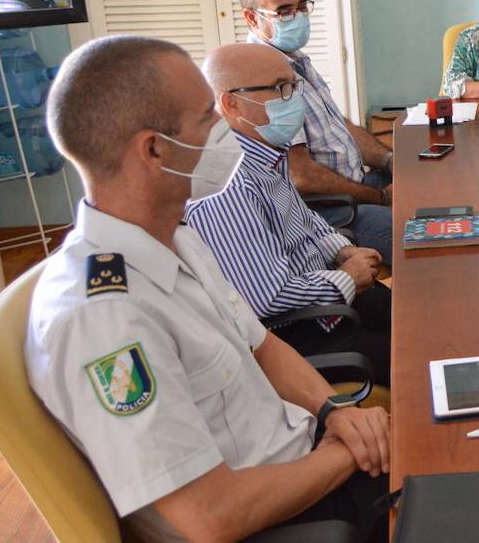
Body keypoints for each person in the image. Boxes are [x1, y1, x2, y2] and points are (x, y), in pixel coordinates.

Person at [25, 36, 391, 542]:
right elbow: (208, 518)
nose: (225, 129)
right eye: (207, 119)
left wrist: (332, 410)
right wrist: (344, 452)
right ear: (154, 150)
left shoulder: (175, 237)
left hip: (306, 458)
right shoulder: (102, 320)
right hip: (289, 516)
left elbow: (260, 344)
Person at [185, 43, 391, 385]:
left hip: (327, 293)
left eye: (293, 86)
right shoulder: (226, 183)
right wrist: (346, 278)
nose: (292, 98)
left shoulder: (267, 153)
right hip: (299, 331)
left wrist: (341, 250)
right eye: (280, 88)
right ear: (230, 103)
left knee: (420, 321)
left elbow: (305, 220)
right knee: (412, 363)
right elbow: (267, 297)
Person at [240, 0, 393, 261]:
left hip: (353, 186)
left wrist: (390, 160)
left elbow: (341, 126)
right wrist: (382, 197)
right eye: (284, 11)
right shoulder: (263, 77)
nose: (297, 17)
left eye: (301, 6)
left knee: (428, 195)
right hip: (327, 211)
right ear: (252, 18)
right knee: (422, 233)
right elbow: (302, 177)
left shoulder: (296, 59)